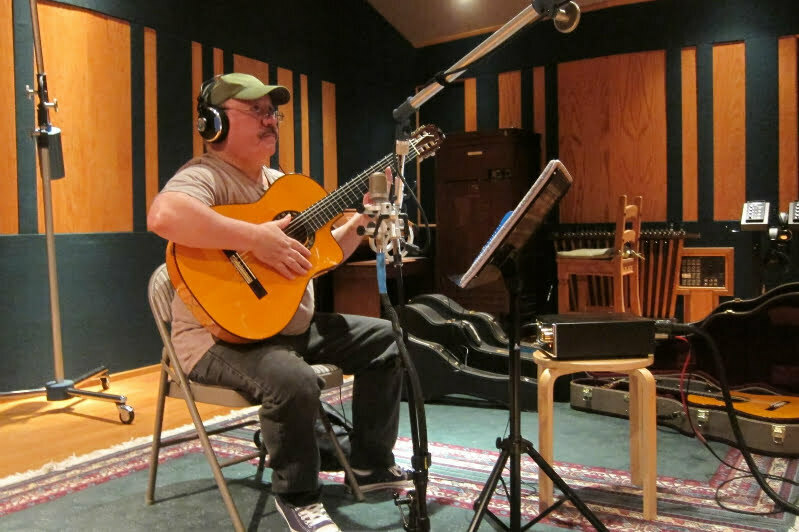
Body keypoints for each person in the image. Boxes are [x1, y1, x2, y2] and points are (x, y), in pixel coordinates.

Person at [147, 72, 409, 532]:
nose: (270, 120)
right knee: (293, 380)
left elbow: (322, 257)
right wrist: (255, 238)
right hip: (216, 339)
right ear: (214, 123)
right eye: (256, 111)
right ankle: (297, 495)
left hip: (286, 325)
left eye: (273, 113)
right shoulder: (204, 175)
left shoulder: (283, 185)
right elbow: (164, 216)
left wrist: (363, 221)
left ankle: (369, 462)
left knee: (389, 339)